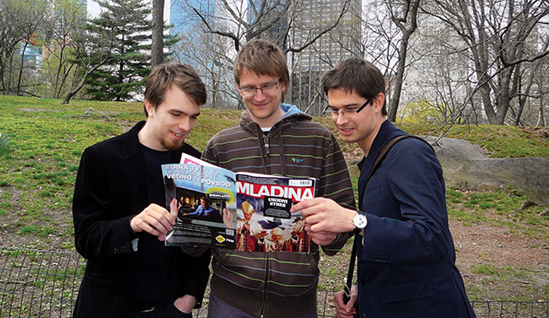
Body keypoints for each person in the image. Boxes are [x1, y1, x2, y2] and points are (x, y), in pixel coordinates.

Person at [292, 57, 476, 318]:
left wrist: (355, 220)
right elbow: (392, 242)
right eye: (334, 110)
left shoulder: (408, 153)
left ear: (378, 101)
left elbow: (433, 239)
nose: (340, 120)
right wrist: (362, 291)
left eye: (351, 108)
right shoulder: (374, 158)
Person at [202, 39, 356, 318]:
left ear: (283, 83)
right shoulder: (220, 146)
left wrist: (331, 234)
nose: (259, 96)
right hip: (231, 299)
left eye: (268, 86)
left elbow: (345, 210)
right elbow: (202, 230)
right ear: (238, 87)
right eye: (249, 87)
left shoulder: (318, 140)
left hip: (296, 302)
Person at [72, 63, 211, 318]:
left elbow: (201, 244)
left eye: (193, 116)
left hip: (171, 310)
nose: (186, 126)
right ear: (150, 106)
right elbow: (85, 239)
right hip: (109, 308)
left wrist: (188, 299)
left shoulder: (195, 162)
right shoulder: (102, 158)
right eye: (177, 114)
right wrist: (131, 225)